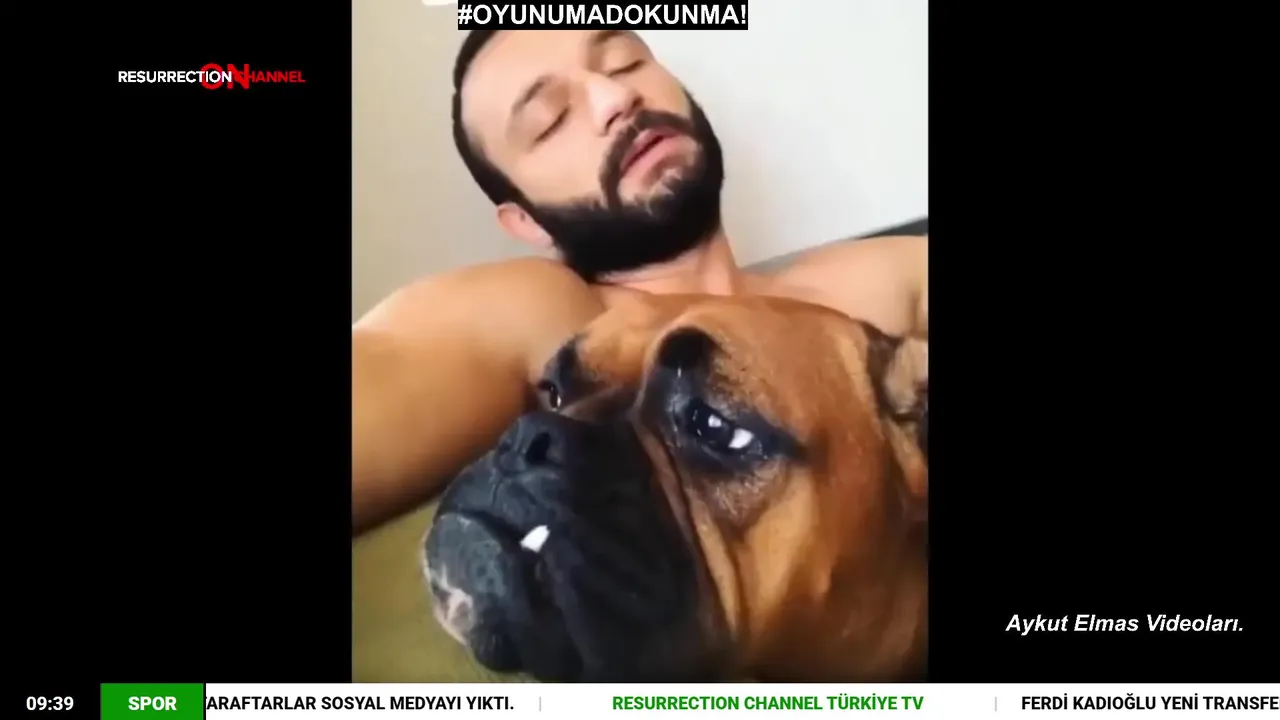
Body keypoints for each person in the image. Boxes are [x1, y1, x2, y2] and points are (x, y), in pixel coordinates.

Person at [352, 29, 928, 534]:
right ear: (526, 222)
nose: (616, 98)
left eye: (625, 62)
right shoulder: (546, 314)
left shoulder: (875, 280)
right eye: (551, 120)